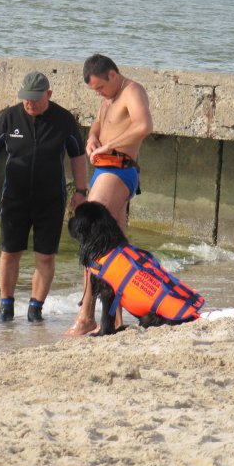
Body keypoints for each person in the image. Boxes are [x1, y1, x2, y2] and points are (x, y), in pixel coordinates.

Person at [0, 71, 88, 322]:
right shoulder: (10, 117)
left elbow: (78, 157)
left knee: (45, 255)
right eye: (26, 98)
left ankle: (35, 309)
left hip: (51, 199)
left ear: (48, 94)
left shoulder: (63, 120)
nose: (30, 103)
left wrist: (81, 192)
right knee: (9, 252)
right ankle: (6, 307)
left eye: (36, 99)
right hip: (15, 197)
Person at [64, 54, 154, 336]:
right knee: (115, 247)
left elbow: (144, 126)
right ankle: (113, 318)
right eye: (95, 90)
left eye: (100, 87)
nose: (98, 93)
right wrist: (92, 139)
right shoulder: (109, 98)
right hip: (105, 171)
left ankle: (86, 315)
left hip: (120, 169)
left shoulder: (132, 91)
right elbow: (99, 126)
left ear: (112, 75)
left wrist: (109, 146)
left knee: (91, 234)